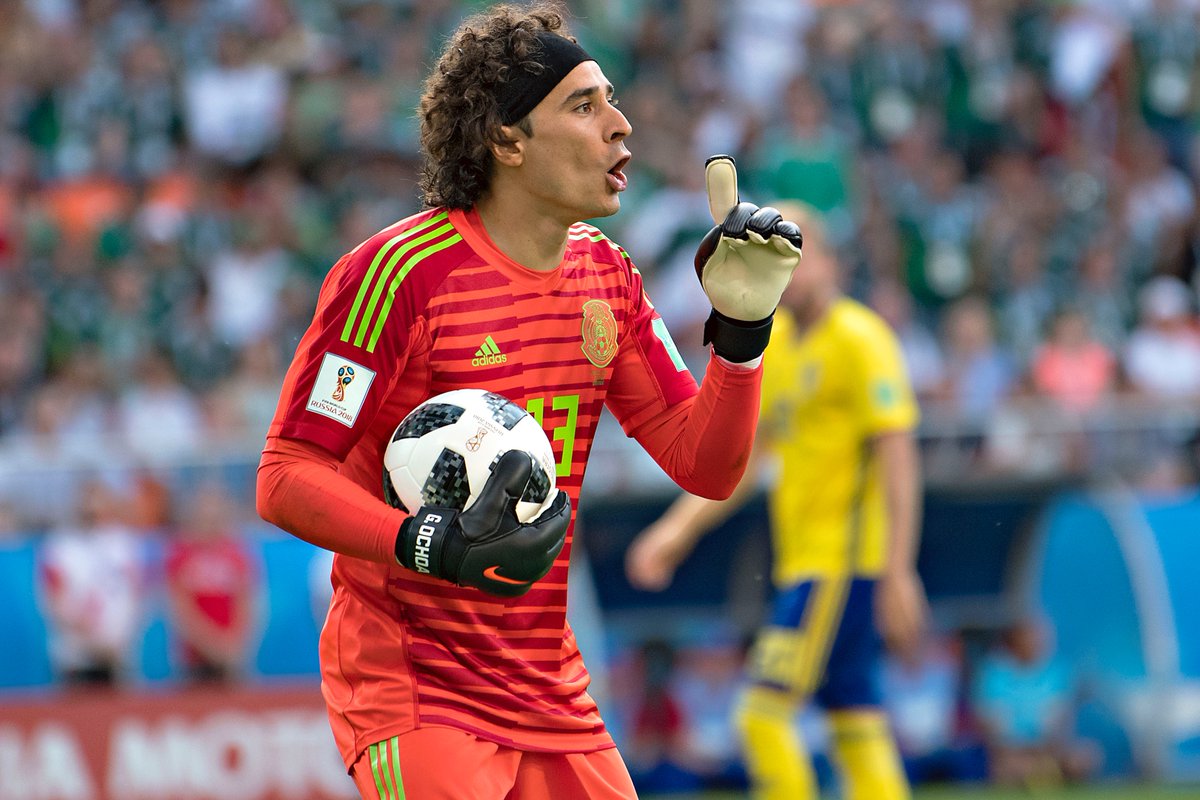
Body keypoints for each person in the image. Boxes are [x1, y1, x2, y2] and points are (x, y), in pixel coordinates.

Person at [255, 4, 803, 799]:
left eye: (610, 99)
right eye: (583, 106)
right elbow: (285, 475)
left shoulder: (607, 278)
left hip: (549, 686)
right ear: (507, 140)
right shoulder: (397, 276)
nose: (620, 126)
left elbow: (705, 464)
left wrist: (744, 339)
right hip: (418, 687)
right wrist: (428, 544)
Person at [626, 205, 924, 800]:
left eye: (797, 253)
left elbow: (898, 459)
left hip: (838, 565)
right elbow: (748, 459)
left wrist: (897, 571)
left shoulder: (860, 339)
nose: (785, 269)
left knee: (762, 718)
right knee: (855, 719)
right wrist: (677, 529)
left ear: (831, 262)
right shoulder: (778, 344)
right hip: (809, 561)